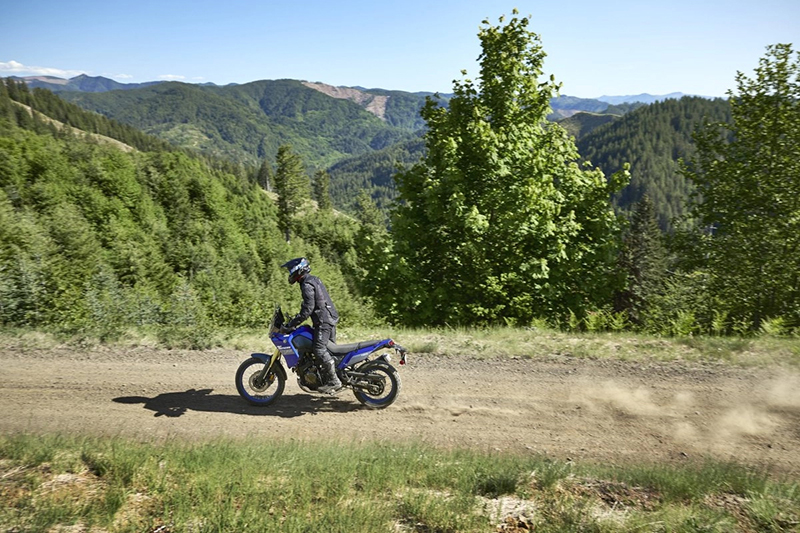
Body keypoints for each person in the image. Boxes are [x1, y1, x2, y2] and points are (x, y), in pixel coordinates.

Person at [280, 257, 342, 393]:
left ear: (298, 269)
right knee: (329, 353)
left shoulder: (307, 284)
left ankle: (334, 381)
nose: (290, 273)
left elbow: (307, 309)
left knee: (319, 350)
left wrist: (291, 324)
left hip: (324, 321)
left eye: (291, 270)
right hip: (328, 318)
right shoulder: (313, 279)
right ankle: (328, 378)